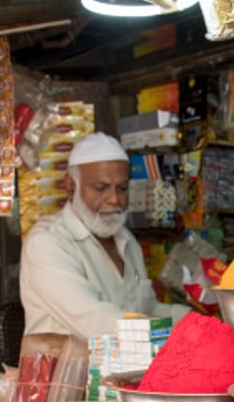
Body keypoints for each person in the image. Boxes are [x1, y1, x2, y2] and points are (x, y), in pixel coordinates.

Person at [20, 133, 190, 341]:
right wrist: (176, 337)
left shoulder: (127, 241)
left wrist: (198, 323)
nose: (114, 200)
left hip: (125, 369)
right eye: (101, 188)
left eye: (122, 188)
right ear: (71, 187)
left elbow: (147, 309)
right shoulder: (47, 243)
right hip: (62, 373)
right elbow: (97, 324)